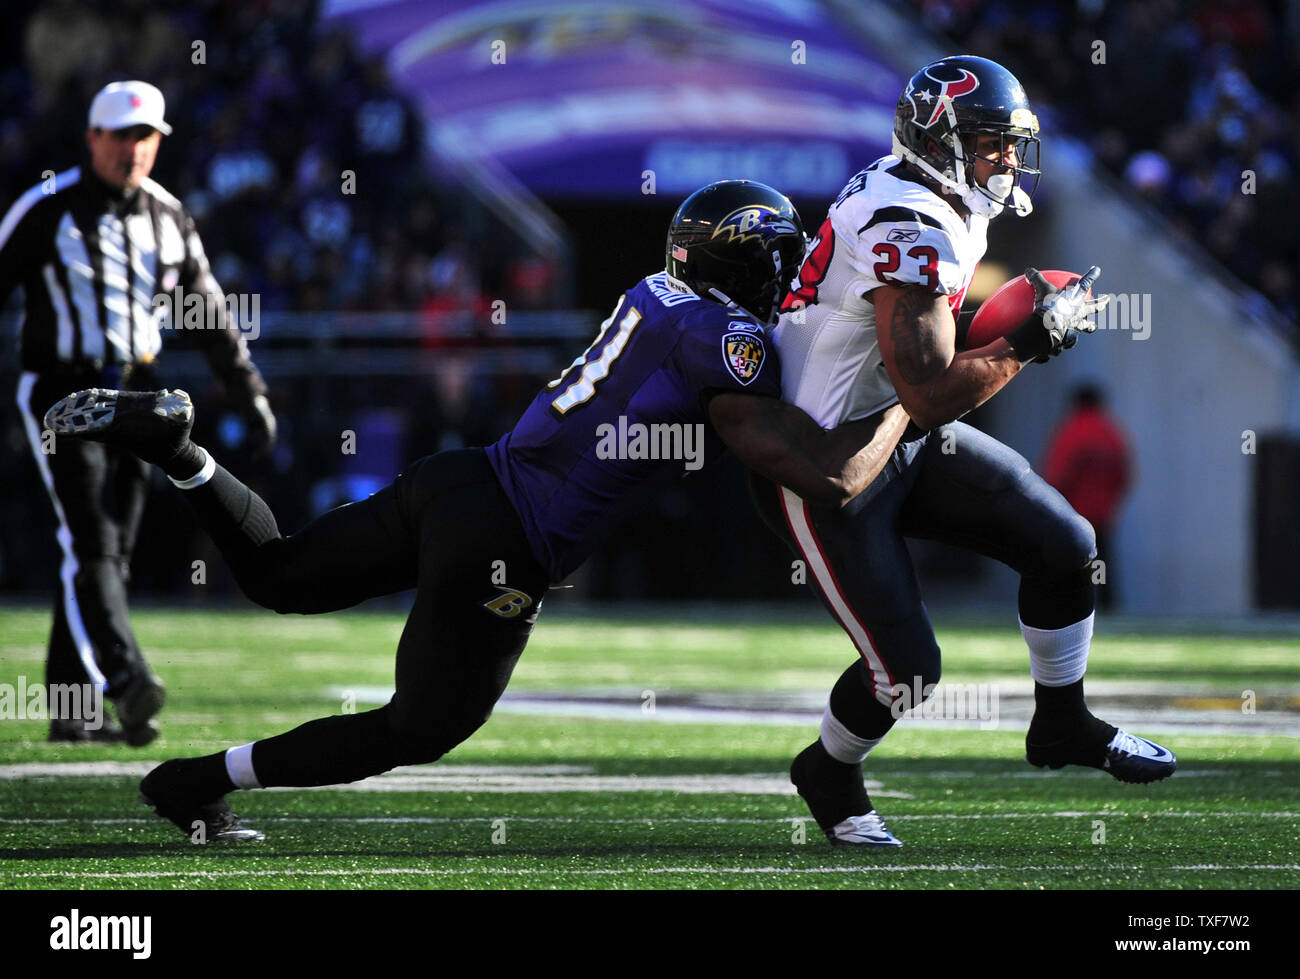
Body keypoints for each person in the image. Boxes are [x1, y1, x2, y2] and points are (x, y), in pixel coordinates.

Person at [45, 179, 911, 842]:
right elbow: (801, 455)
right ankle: (194, 780)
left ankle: (177, 450)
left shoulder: (657, 293)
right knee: (418, 727)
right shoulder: (729, 341)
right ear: (750, 264)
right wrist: (905, 391)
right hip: (509, 542)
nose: (792, 277)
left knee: (281, 573)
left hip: (463, 478)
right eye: (784, 260)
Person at [757, 56, 1174, 847]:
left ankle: (1063, 723)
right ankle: (829, 768)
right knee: (908, 669)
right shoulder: (910, 224)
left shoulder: (933, 192)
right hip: (823, 464)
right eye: (989, 142)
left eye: (1012, 142)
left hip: (891, 429)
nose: (1008, 160)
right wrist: (1027, 338)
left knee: (1067, 545)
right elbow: (930, 391)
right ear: (938, 140)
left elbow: (916, 392)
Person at [0, 80, 276, 745]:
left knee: (109, 550)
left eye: (145, 136)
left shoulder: (170, 217)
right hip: (61, 393)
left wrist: (249, 391)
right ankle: (126, 679)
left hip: (136, 396)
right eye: (122, 136)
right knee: (89, 540)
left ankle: (72, 708)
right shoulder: (45, 211)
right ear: (92, 138)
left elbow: (209, 312)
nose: (133, 149)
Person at [1042, 384, 1134, 611]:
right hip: (1102, 514)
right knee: (1102, 564)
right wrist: (1110, 504)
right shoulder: (1111, 432)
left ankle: (1071, 610)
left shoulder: (1073, 430)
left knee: (1068, 567)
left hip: (1073, 514)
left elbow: (1058, 475)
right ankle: (1106, 607)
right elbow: (1124, 475)